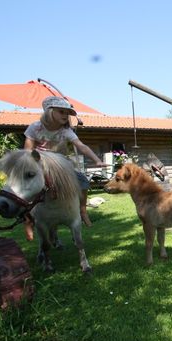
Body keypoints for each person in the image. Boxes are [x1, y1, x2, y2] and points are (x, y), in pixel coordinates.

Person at [23, 96, 107, 238]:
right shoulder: (35, 127)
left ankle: (82, 210)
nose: (65, 115)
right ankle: (28, 219)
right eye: (61, 112)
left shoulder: (66, 131)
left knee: (82, 181)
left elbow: (81, 146)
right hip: (39, 164)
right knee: (24, 189)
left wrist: (97, 160)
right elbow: (27, 149)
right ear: (50, 112)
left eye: (67, 113)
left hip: (60, 164)